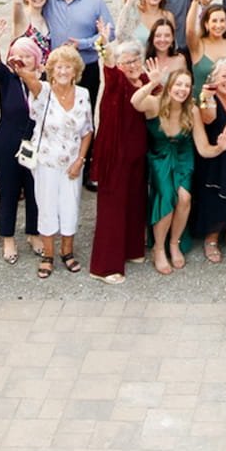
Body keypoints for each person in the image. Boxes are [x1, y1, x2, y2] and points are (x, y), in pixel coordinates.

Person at [87, 35, 151, 285]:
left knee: (135, 201)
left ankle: (132, 249)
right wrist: (106, 46)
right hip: (115, 153)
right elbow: (109, 64)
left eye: (135, 60)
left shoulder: (146, 80)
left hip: (137, 153)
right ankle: (104, 266)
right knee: (112, 209)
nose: (131, 65)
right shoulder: (116, 80)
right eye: (126, 62)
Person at [27, 45, 93, 280]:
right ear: (51, 71)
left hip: (73, 162)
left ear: (75, 71)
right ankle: (48, 254)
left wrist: (80, 160)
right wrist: (23, 69)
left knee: (70, 205)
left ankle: (67, 251)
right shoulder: (43, 91)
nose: (63, 71)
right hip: (46, 160)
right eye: (58, 67)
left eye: (68, 66)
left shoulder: (84, 94)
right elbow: (29, 80)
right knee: (46, 205)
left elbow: (87, 131)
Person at [130, 58, 199, 276]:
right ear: (170, 86)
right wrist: (151, 83)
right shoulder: (155, 103)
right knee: (167, 196)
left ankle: (174, 243)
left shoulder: (191, 109)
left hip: (182, 155)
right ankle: (158, 248)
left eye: (187, 86)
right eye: (178, 84)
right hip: (159, 155)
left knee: (185, 197)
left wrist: (220, 147)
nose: (182, 89)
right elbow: (135, 102)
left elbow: (204, 148)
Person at [188, 57, 226, 262]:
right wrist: (207, 97)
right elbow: (208, 118)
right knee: (214, 197)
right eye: (224, 76)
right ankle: (211, 238)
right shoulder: (209, 98)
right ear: (214, 78)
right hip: (216, 157)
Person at [0, 37, 40, 265]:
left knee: (34, 190)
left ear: (36, 58)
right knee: (8, 190)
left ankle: (33, 232)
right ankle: (8, 237)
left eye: (27, 55)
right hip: (7, 141)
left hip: (36, 142)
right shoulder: (7, 78)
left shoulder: (45, 80)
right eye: (17, 55)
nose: (22, 60)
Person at [189, 0, 226, 83]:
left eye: (222, 21)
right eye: (214, 21)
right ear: (206, 24)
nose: (218, 25)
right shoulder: (198, 45)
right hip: (201, 95)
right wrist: (195, 1)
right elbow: (190, 31)